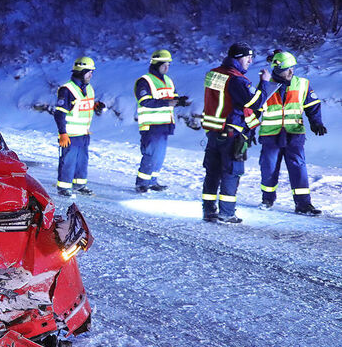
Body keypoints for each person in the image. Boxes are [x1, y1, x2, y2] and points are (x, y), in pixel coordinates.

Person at [200, 43, 276, 223]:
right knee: (231, 172)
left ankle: (209, 210)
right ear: (237, 58)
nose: (250, 61)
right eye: (247, 57)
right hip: (231, 134)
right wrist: (264, 83)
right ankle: (226, 213)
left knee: (212, 172)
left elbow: (225, 100)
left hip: (213, 131)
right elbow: (255, 102)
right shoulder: (237, 79)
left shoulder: (213, 74)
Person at [257, 50, 327, 216]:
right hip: (270, 135)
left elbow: (313, 105)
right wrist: (247, 131)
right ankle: (267, 199)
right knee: (269, 168)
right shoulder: (266, 86)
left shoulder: (302, 84)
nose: (291, 71)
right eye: (287, 69)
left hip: (294, 134)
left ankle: (303, 204)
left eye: (292, 68)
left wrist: (316, 122)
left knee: (298, 168)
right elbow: (254, 109)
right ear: (277, 69)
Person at [133, 49, 190, 192]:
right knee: (150, 155)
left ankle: (152, 181)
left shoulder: (168, 81)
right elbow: (145, 101)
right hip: (151, 125)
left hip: (165, 124)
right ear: (156, 64)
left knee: (159, 156)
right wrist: (168, 102)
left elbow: (172, 98)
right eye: (164, 64)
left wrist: (179, 101)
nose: (166, 68)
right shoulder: (144, 81)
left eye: (168, 65)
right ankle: (142, 183)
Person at [54, 56, 105, 197]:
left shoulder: (89, 89)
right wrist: (62, 133)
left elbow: (82, 107)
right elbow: (59, 113)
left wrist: (96, 106)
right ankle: (64, 187)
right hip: (70, 134)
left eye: (92, 72)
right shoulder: (67, 90)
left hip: (84, 133)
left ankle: (79, 185)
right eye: (89, 72)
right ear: (81, 72)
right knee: (68, 161)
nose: (91, 75)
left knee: (82, 161)